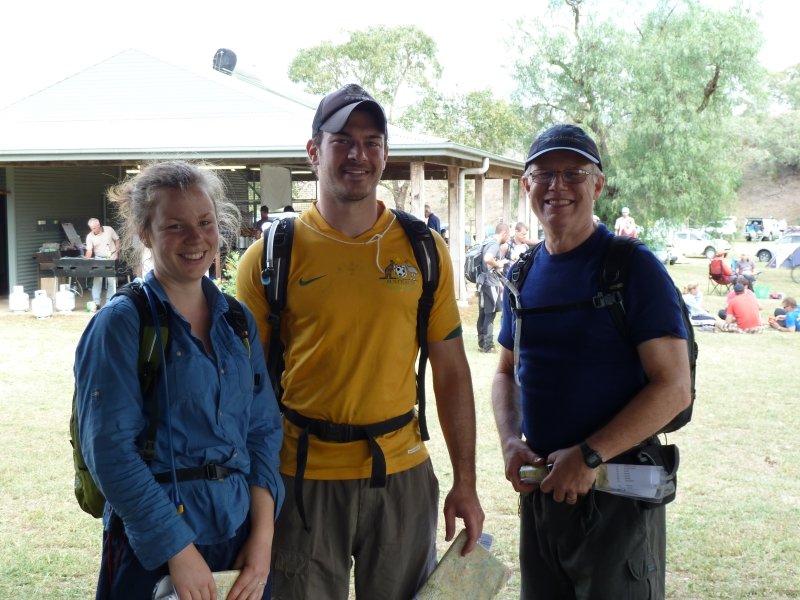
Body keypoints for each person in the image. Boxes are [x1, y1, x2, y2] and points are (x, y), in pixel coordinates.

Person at [236, 83, 484, 599]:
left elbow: (453, 372)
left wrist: (465, 480)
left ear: (385, 155)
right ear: (313, 151)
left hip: (401, 475)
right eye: (342, 140)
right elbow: (243, 388)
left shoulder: (424, 250)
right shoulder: (270, 256)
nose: (359, 154)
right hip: (300, 479)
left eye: (372, 141)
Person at [491, 124, 691, 598]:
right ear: (526, 185)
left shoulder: (631, 267)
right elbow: (505, 373)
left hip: (616, 497)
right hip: (542, 495)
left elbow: (673, 387)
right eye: (544, 174)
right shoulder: (522, 273)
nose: (557, 187)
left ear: (598, 184)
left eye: (573, 174)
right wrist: (508, 442)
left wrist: (589, 455)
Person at [74, 161, 284, 600]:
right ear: (145, 233)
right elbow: (110, 453)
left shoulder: (236, 319)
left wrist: (262, 540)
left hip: (239, 540)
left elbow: (262, 433)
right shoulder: (121, 325)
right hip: (154, 547)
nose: (196, 238)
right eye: (175, 226)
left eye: (205, 222)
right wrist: (178, 550)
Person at [477, 222, 510, 353]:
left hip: (482, 282)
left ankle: (482, 342)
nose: (508, 239)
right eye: (508, 236)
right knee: (490, 314)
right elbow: (487, 258)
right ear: (504, 233)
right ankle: (488, 346)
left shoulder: (486, 242)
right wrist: (499, 264)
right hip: (490, 283)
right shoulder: (494, 245)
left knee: (482, 314)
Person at [84, 218, 120, 306]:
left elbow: (117, 240)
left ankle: (109, 302)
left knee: (111, 281)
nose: (93, 230)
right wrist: (85, 258)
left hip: (110, 257)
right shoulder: (89, 236)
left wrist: (116, 252)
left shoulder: (109, 229)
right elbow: (89, 251)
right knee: (97, 280)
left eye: (94, 228)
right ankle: (96, 303)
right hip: (98, 259)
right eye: (91, 228)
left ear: (99, 226)